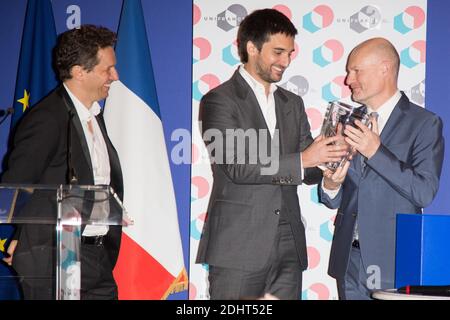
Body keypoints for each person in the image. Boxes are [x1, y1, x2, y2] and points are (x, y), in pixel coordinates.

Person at [195, 8, 348, 300]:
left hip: (289, 244)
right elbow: (238, 166)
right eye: (278, 52)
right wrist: (305, 159)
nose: (286, 61)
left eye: (290, 53)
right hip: (239, 245)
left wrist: (329, 160)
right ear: (251, 48)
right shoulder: (219, 100)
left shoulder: (292, 103)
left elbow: (308, 172)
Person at [0, 25, 123, 300]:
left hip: (96, 257)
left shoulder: (95, 116)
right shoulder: (47, 118)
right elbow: (17, 185)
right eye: (108, 70)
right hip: (52, 259)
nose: (115, 76)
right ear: (80, 72)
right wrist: (21, 234)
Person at [319, 37, 444, 300]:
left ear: (384, 68)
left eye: (356, 70)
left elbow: (424, 192)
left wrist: (375, 151)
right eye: (348, 71)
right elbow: (339, 197)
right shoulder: (346, 121)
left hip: (395, 262)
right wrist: (330, 186)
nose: (348, 79)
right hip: (349, 261)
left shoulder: (424, 123)